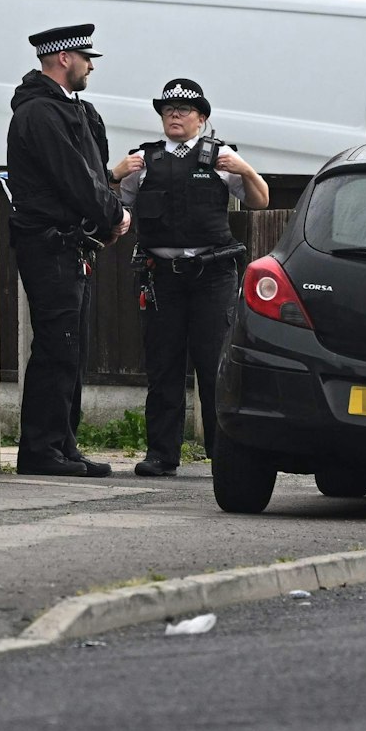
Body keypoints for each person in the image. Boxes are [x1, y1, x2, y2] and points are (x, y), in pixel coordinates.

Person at [117, 78, 269, 476]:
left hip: (212, 275)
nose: (174, 115)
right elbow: (116, 205)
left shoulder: (222, 159)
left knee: (212, 364)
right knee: (163, 364)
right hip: (160, 276)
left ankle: (224, 454)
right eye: (168, 110)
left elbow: (261, 199)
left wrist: (246, 169)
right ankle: (161, 454)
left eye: (183, 110)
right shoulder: (142, 161)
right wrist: (114, 174)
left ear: (201, 119)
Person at [6, 24, 136, 477]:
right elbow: (75, 178)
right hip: (49, 242)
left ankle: (63, 444)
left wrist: (106, 214)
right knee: (57, 346)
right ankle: (40, 451)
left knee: (72, 347)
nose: (91, 65)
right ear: (64, 58)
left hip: (70, 242)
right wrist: (113, 215)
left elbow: (94, 173)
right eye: (86, 57)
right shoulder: (40, 114)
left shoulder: (69, 109)